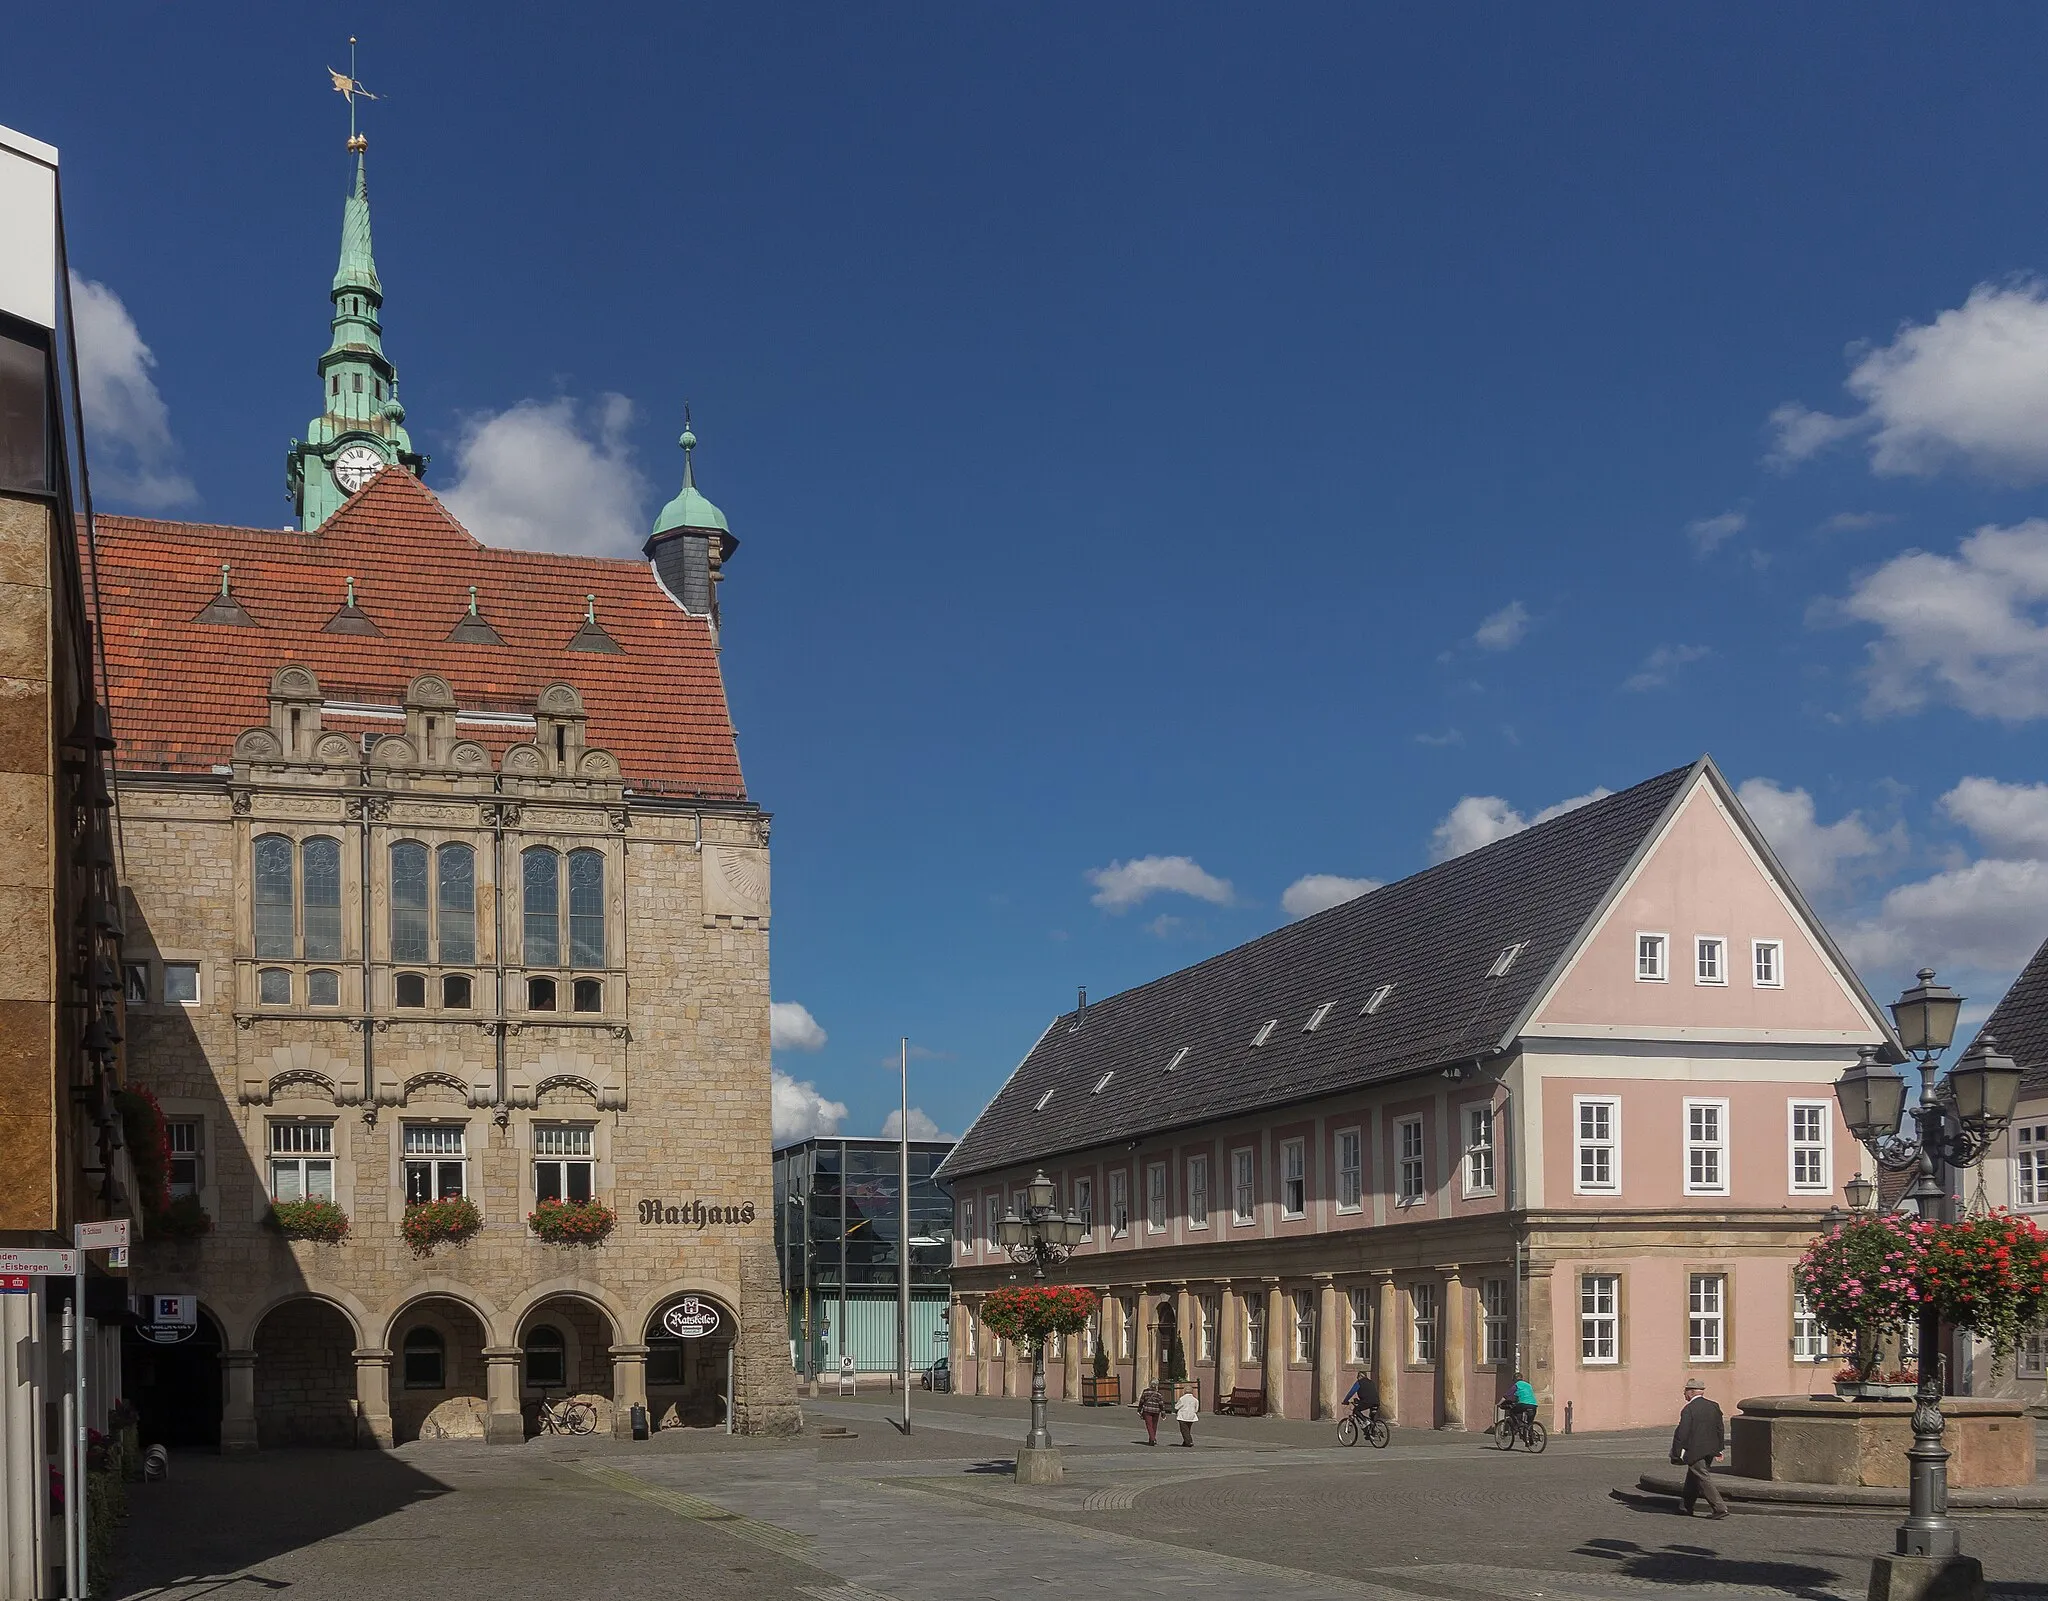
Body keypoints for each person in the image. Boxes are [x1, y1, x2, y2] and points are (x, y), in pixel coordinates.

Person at [1670, 1379, 1728, 1519]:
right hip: (1710, 1448)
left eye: (1685, 1392)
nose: (1684, 1395)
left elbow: (1682, 1432)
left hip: (1695, 1450)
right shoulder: (1713, 1406)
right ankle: (1686, 1506)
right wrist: (1719, 1449)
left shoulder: (1689, 1409)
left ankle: (1719, 1508)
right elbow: (1720, 1428)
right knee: (1693, 1477)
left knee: (1702, 1477)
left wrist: (1676, 1452)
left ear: (1690, 1392)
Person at [1137, 1381, 1165, 1446]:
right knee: (1154, 1426)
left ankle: (1152, 1439)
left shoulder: (1145, 1392)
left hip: (1147, 1410)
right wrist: (1163, 1413)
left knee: (1149, 1425)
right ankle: (1152, 1439)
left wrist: (1139, 1409)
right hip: (1156, 1411)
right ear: (1156, 1385)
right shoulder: (1158, 1394)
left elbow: (1141, 1401)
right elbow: (1161, 1404)